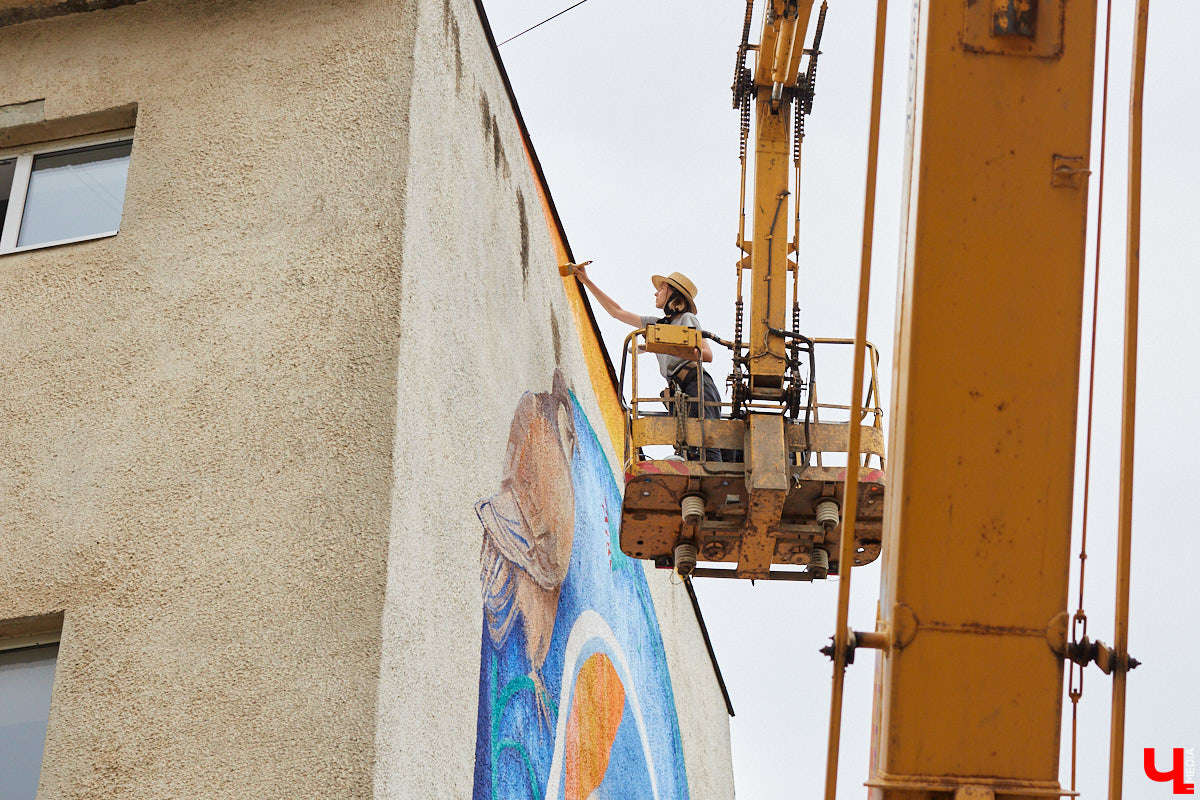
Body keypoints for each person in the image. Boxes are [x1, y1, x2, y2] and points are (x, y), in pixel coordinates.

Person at [573, 264, 722, 462]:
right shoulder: (658, 326)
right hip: (678, 391)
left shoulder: (687, 318)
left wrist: (662, 347)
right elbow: (617, 312)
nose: (656, 293)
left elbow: (707, 355)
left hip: (697, 385)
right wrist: (586, 281)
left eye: (661, 289)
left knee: (706, 445)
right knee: (691, 449)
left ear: (674, 295)